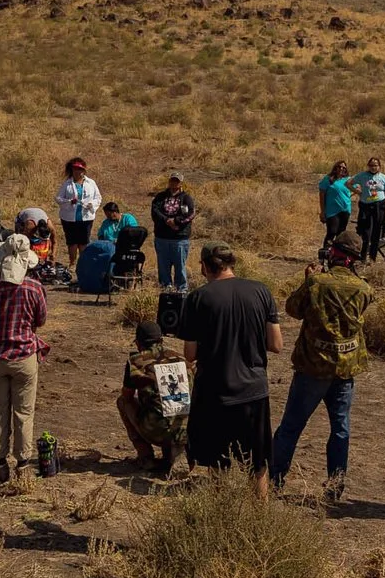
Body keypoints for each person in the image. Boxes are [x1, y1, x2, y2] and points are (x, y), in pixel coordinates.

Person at [270, 234, 375, 501]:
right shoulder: (364, 288)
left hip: (313, 367)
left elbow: (293, 308)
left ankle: (274, 480)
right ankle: (335, 487)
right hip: (346, 368)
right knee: (340, 428)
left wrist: (308, 280)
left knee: (291, 426)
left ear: (337, 254)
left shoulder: (317, 283)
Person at [180, 243, 281, 478]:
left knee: (217, 461)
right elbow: (276, 344)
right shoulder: (261, 291)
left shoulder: (197, 298)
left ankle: (219, 510)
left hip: (215, 391)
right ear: (231, 263)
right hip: (254, 390)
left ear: (205, 266)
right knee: (257, 463)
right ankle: (260, 512)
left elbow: (190, 354)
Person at [0, 234, 50, 487]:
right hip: (24, 356)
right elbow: (40, 320)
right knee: (24, 413)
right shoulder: (34, 288)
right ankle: (22, 465)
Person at [117, 322, 185, 475]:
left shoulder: (136, 362)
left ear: (138, 343)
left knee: (122, 402)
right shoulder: (181, 359)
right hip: (185, 431)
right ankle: (176, 455)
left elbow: (127, 396)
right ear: (161, 341)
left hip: (156, 430)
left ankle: (146, 456)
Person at [150, 174, 196, 294]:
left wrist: (176, 221)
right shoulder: (160, 197)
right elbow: (155, 211)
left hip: (179, 239)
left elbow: (191, 214)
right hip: (162, 237)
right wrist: (166, 220)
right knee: (163, 267)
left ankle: (181, 290)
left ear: (181, 183)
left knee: (180, 267)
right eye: (172, 180)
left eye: (177, 181)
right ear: (169, 181)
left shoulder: (186, 198)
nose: (174, 183)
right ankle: (166, 289)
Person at [56, 157, 102, 265]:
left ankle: (83, 263)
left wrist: (92, 205)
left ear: (84, 171)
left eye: (80, 169)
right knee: (72, 242)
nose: (77, 172)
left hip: (86, 216)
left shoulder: (91, 183)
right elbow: (58, 198)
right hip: (69, 217)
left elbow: (98, 197)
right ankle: (72, 262)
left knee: (83, 241)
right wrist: (69, 201)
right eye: (75, 169)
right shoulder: (67, 184)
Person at [354, 157, 385, 262]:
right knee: (366, 234)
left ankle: (372, 259)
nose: (373, 167)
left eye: (375, 165)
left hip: (379, 207)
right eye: (371, 165)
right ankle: (363, 258)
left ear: (379, 166)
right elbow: (348, 183)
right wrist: (357, 191)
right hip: (366, 207)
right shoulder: (362, 176)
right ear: (368, 166)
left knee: (376, 234)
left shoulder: (383, 177)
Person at [316, 159, 356, 252]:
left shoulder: (348, 180)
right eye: (339, 167)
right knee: (332, 232)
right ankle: (325, 253)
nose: (341, 169)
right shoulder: (328, 179)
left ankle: (337, 254)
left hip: (345, 209)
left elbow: (357, 188)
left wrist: (349, 195)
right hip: (332, 210)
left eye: (343, 167)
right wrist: (323, 211)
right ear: (335, 167)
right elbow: (322, 194)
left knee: (341, 234)